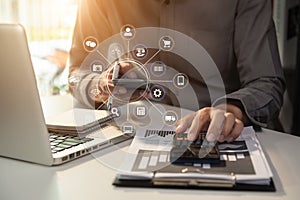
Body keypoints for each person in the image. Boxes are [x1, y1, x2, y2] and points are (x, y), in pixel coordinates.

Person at [68, 0, 285, 143]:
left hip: (224, 138)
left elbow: (266, 82)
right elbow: (79, 70)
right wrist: (101, 85)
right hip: (136, 137)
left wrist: (231, 110)